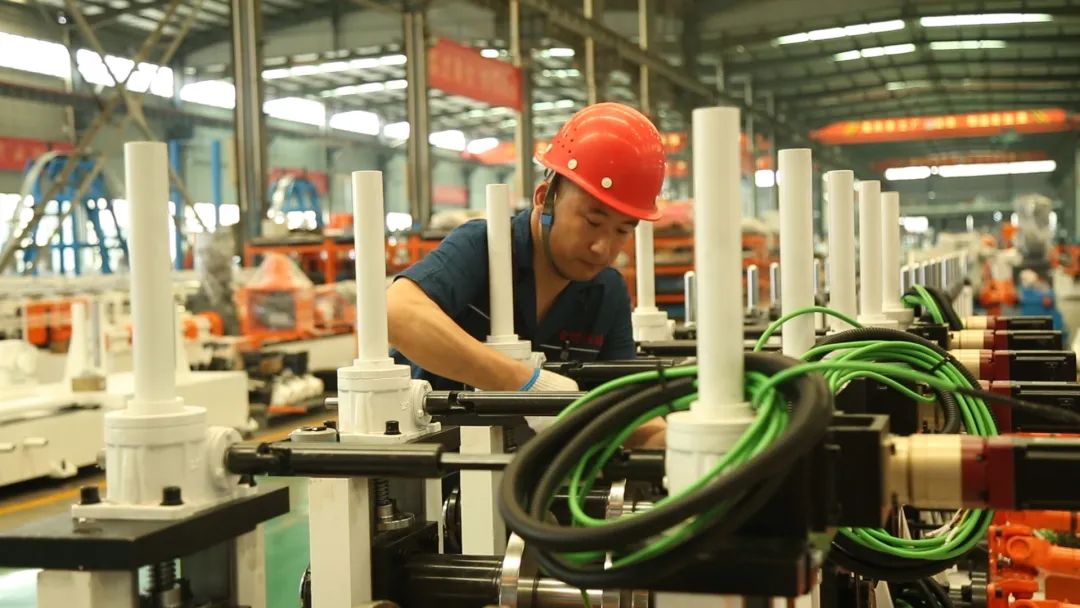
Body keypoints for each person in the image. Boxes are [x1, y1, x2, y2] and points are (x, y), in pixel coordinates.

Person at [386, 103, 666, 436]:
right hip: (429, 454)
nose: (602, 248)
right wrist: (526, 383)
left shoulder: (606, 291)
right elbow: (395, 313)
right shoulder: (483, 247)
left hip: (532, 464)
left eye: (622, 230)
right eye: (592, 221)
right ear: (544, 198)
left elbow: (623, 408)